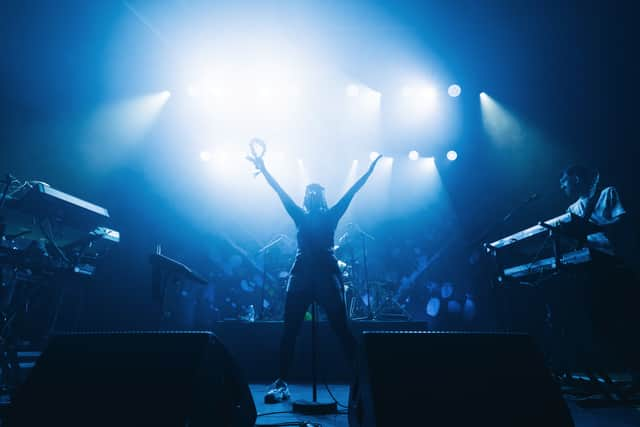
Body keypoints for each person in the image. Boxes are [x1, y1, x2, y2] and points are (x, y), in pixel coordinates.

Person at [247, 146, 382, 403]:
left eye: (315, 193)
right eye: (310, 193)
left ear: (318, 198)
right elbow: (280, 192)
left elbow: (352, 191)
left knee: (339, 331)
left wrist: (368, 171)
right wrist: (264, 169)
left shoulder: (325, 214)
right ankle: (282, 381)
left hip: (321, 276)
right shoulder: (308, 214)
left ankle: (361, 382)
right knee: (293, 331)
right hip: (308, 276)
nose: (312, 197)